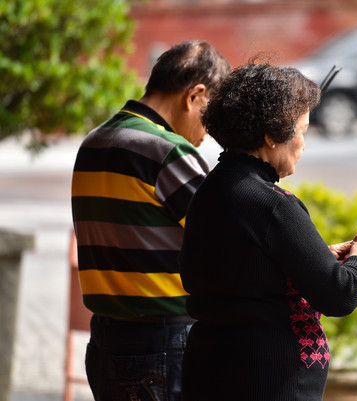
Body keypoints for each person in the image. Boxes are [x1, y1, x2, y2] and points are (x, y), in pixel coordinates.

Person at [179, 61, 357, 401]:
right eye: (301, 130)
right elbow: (340, 293)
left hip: (210, 369)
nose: (303, 144)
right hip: (269, 381)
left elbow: (245, 270)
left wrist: (319, 256)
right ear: (270, 135)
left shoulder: (212, 188)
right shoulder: (273, 204)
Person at [71, 40, 231, 401]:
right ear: (195, 95)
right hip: (163, 342)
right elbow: (228, 235)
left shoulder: (94, 143)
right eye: (211, 115)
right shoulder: (166, 150)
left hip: (105, 341)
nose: (209, 133)